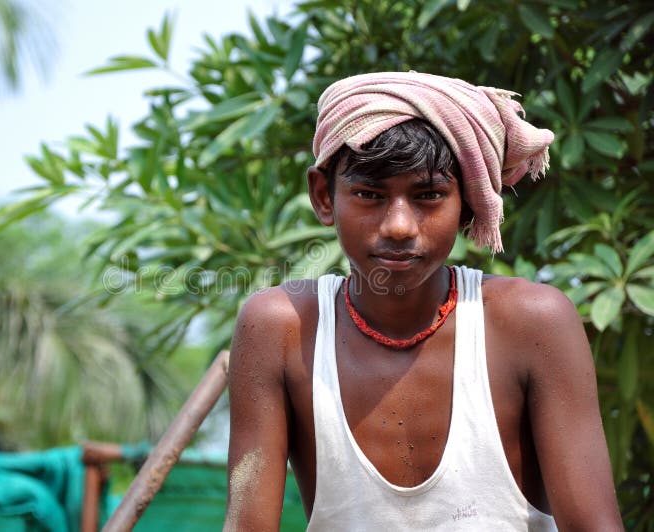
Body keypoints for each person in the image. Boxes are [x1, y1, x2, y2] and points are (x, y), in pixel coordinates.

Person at [223, 72, 623, 531]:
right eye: (369, 194)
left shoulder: (530, 325)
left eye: (428, 195)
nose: (398, 226)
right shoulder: (282, 328)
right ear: (323, 196)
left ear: (468, 203)